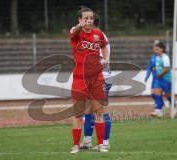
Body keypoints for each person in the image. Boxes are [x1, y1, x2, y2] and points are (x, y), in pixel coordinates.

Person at [69, 6, 109, 154]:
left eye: (91, 18)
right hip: (80, 78)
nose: (89, 21)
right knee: (78, 113)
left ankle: (100, 145)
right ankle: (75, 145)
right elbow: (75, 32)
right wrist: (80, 26)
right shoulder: (76, 32)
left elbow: (104, 46)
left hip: (97, 78)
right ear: (79, 20)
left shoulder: (98, 34)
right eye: (86, 18)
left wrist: (106, 59)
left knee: (99, 111)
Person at [80, 13, 112, 151]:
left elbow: (100, 59)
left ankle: (105, 142)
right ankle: (87, 141)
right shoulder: (92, 36)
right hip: (92, 77)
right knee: (87, 109)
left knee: (100, 110)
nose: (86, 23)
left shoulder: (98, 36)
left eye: (88, 20)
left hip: (101, 77)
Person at [151, 42, 172, 117]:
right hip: (159, 79)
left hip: (166, 79)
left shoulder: (165, 57)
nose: (156, 51)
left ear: (162, 49)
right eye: (155, 49)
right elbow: (159, 67)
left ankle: (173, 104)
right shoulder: (157, 57)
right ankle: (158, 110)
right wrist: (155, 69)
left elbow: (167, 69)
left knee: (167, 95)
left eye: (157, 49)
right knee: (156, 93)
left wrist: (160, 74)